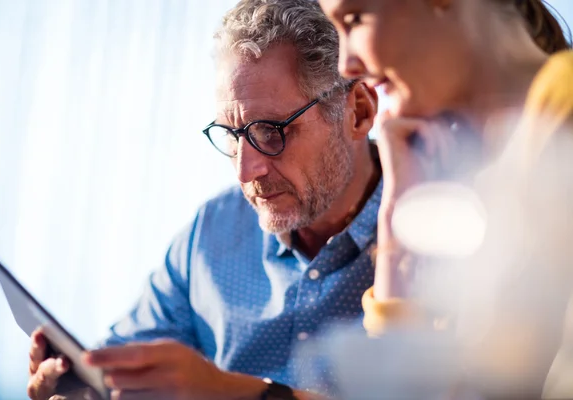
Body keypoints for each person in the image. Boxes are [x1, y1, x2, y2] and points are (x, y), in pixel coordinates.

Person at [26, 0, 382, 399]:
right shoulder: (213, 232)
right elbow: (122, 368)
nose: (246, 172)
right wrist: (81, 386)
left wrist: (232, 392)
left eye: (270, 131)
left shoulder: (438, 237)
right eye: (233, 135)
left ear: (359, 112)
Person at [319, 0, 573, 397]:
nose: (345, 65)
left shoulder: (562, 115)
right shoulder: (490, 176)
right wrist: (396, 217)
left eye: (354, 19)